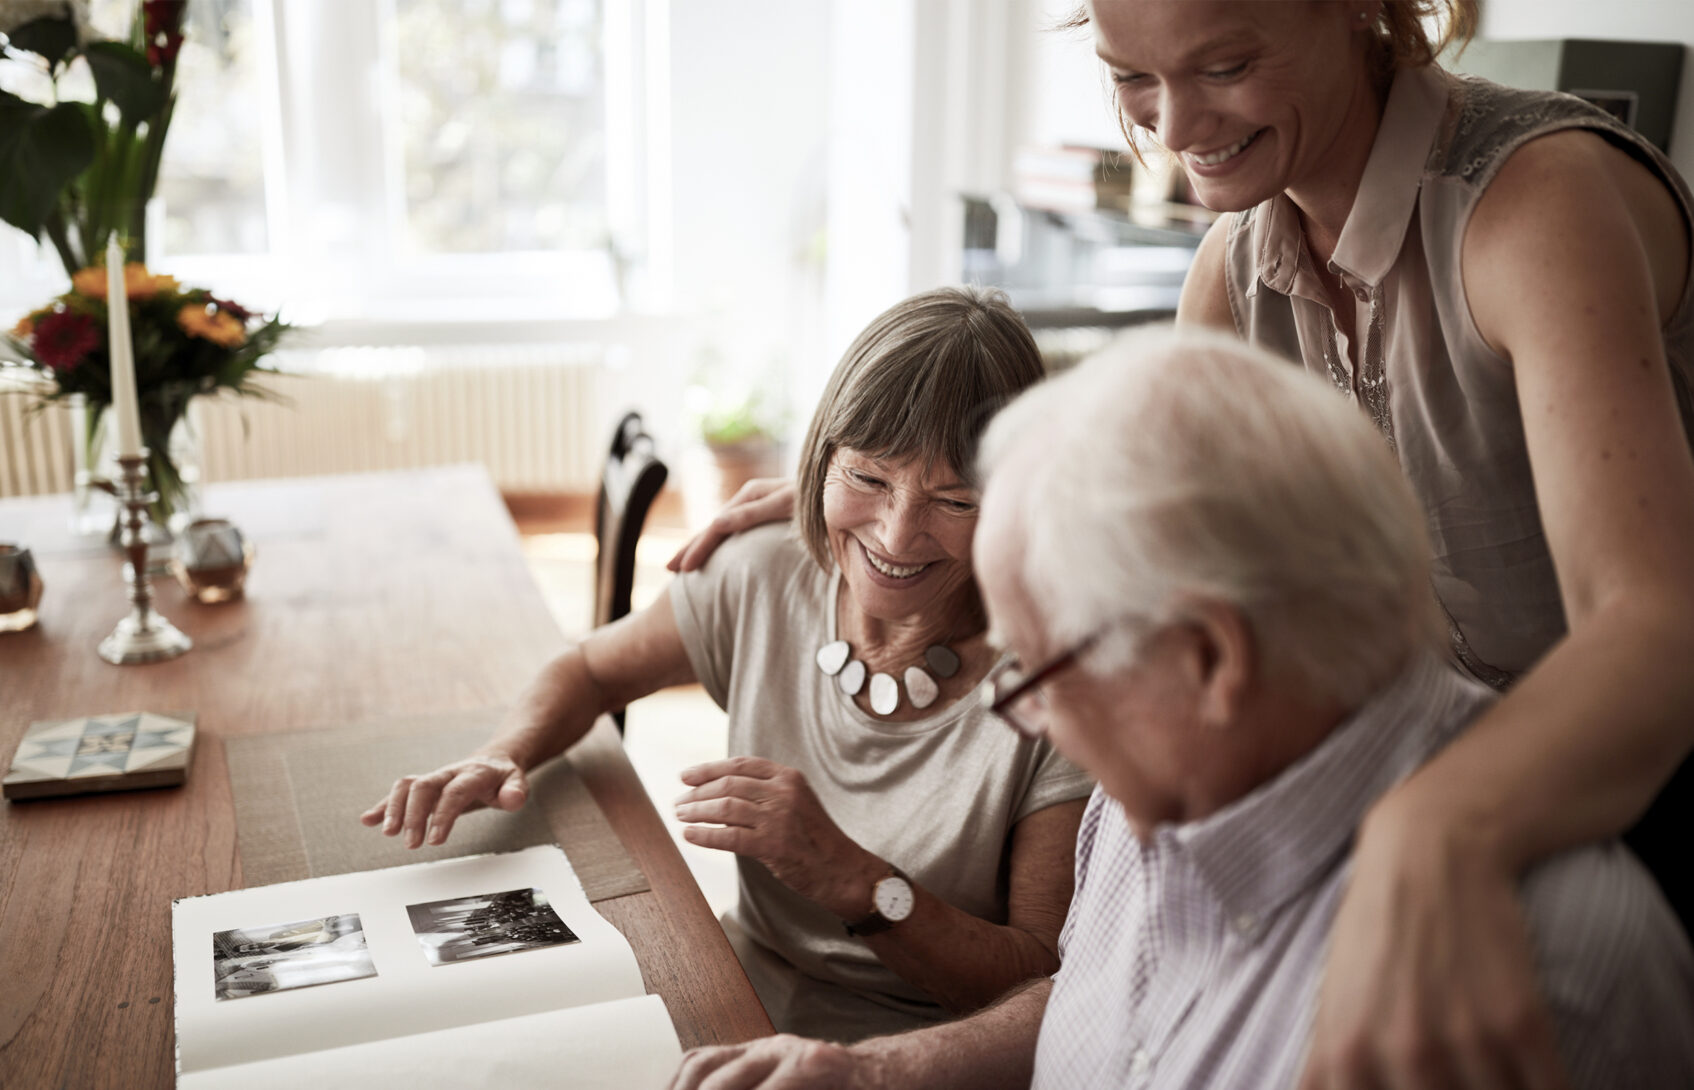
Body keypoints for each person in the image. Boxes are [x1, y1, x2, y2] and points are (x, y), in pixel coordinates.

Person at [667, 2, 1694, 1083]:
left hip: (1595, 796)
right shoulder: (1233, 264)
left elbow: (1656, 632)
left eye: (1225, 64)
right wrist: (871, 486)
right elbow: (1136, 510)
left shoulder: (1534, 205)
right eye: (1130, 78)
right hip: (1360, 797)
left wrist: (1433, 830)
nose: (1174, 124)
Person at [667, 327, 1694, 1090]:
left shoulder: (1514, 974)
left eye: (1031, 670)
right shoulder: (1151, 792)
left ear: (1206, 658)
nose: (1019, 717)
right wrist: (874, 1075)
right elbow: (1104, 1023)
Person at [361, 285, 1092, 1041]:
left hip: (924, 1054)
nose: (897, 536)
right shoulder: (765, 570)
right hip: (736, 988)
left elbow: (1035, 975)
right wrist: (501, 754)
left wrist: (859, 884)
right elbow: (589, 671)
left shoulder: (1058, 685)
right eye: (870, 479)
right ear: (822, 459)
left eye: (955, 501)